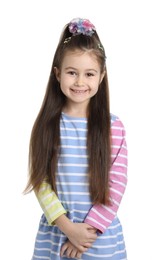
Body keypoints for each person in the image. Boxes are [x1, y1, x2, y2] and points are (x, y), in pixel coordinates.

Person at [24, 17, 128, 259]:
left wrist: (84, 235)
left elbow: (117, 185)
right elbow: (42, 183)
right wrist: (69, 229)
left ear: (101, 77)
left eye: (89, 74)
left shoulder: (113, 127)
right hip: (56, 236)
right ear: (58, 74)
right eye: (72, 72)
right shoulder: (47, 126)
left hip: (100, 239)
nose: (80, 81)